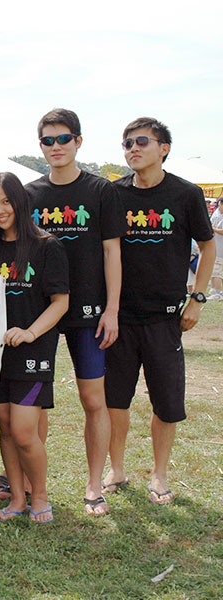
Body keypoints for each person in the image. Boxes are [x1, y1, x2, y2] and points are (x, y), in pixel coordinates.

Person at [105, 117, 215, 505]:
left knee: (166, 402)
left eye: (141, 142)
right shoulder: (114, 193)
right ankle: (116, 469)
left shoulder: (185, 194)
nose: (132, 149)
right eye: (126, 144)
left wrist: (197, 299)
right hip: (118, 316)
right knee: (115, 399)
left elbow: (208, 247)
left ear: (163, 148)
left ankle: (159, 474)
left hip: (166, 317)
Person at [25, 108, 125, 516]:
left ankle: (93, 485)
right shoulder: (29, 194)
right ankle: (35, 487)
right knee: (34, 403)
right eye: (48, 141)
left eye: (63, 139)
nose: (56, 147)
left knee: (92, 399)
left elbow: (111, 252)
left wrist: (112, 309)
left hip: (89, 310)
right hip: (41, 310)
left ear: (79, 141)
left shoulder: (102, 191)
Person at [0, 172, 69, 523]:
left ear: (21, 203)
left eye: (6, 202)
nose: (0, 211)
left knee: (24, 431)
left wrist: (30, 332)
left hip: (32, 351)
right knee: (4, 424)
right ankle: (15, 498)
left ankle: (39, 495)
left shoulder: (48, 246)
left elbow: (61, 302)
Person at [208, 197, 223, 299]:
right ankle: (214, 289)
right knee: (214, 270)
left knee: (217, 271)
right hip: (215, 247)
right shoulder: (217, 213)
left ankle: (217, 292)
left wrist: (214, 228)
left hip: (220, 249)